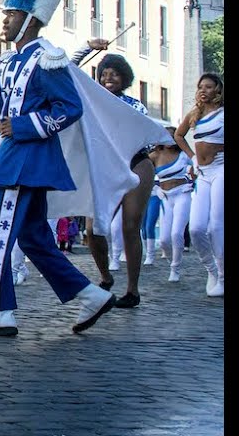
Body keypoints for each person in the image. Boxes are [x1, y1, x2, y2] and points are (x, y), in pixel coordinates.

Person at [0, 0, 117, 337]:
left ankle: (0, 311)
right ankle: (91, 296)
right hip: (15, 158)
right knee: (33, 238)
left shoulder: (48, 58)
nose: (5, 21)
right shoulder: (10, 61)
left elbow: (69, 107)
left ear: (29, 19)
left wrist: (24, 126)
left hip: (26, 160)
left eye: (10, 14)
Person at [70, 43, 158, 307]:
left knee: (130, 226)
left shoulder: (135, 105)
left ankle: (132, 290)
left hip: (135, 164)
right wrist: (85, 49)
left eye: (115, 74)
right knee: (92, 228)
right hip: (104, 169)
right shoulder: (90, 103)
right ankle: (106, 276)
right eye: (105, 73)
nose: (109, 78)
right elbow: (69, 72)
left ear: (125, 78)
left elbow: (143, 139)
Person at [174, 73, 224, 297]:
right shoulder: (195, 114)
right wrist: (192, 157)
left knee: (215, 226)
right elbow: (178, 135)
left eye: (209, 86)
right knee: (195, 228)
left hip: (221, 170)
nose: (204, 90)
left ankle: (223, 276)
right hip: (202, 174)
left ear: (218, 90)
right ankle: (211, 271)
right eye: (201, 86)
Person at [150, 128, 191, 282]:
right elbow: (142, 172)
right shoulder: (155, 156)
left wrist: (192, 181)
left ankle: (176, 268)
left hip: (182, 194)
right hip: (165, 198)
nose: (170, 139)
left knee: (176, 234)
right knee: (164, 240)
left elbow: (200, 165)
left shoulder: (183, 155)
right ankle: (171, 262)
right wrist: (155, 188)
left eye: (173, 136)